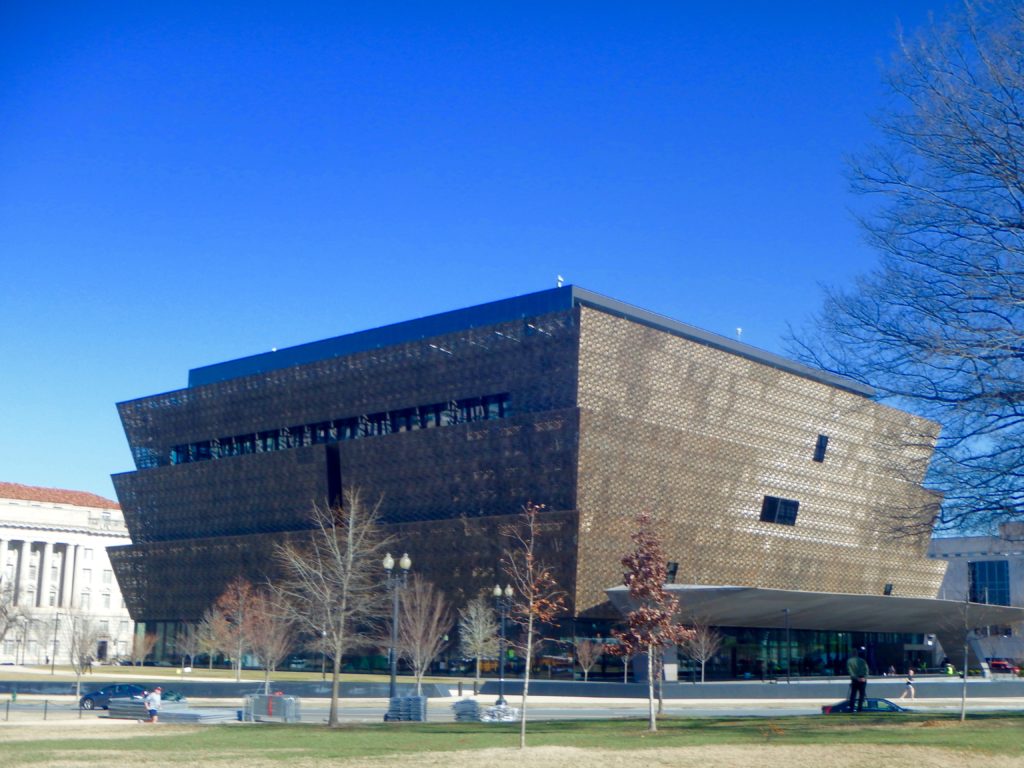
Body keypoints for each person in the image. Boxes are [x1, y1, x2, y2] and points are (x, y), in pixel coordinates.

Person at [847, 647, 869, 712]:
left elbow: (850, 672)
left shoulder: (849, 661)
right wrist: (864, 678)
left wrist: (856, 678)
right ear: (857, 653)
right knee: (861, 695)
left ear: (852, 654)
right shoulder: (862, 661)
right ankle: (860, 708)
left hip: (855, 679)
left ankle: (851, 708)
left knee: (853, 694)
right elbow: (866, 670)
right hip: (863, 678)